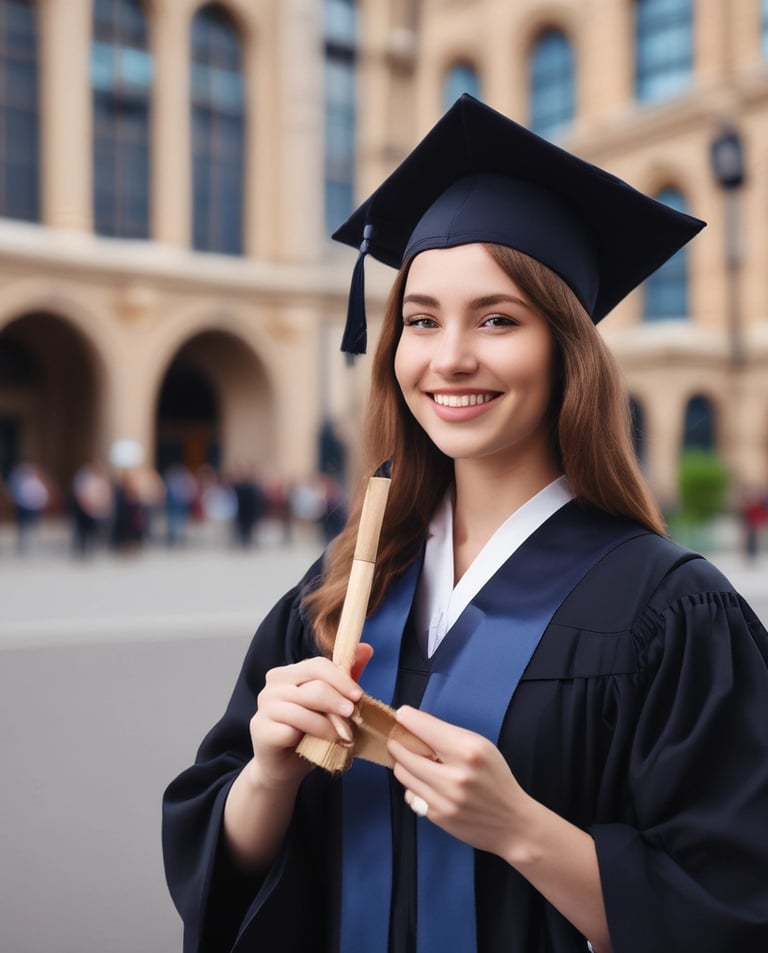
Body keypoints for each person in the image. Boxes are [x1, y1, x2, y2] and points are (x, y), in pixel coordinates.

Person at [162, 96, 768, 953]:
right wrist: (269, 773)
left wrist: (521, 827)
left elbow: (735, 909)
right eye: (419, 320)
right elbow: (222, 865)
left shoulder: (669, 613)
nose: (448, 358)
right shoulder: (342, 586)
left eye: (497, 319)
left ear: (568, 349)